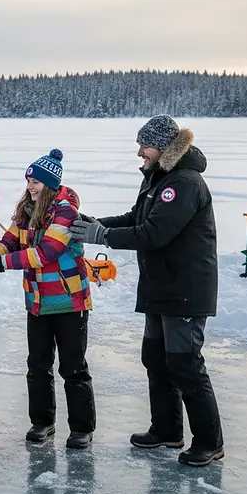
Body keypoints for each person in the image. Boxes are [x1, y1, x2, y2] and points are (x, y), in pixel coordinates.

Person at [69, 115, 224, 467]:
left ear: (165, 147)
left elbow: (154, 233)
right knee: (155, 358)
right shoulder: (159, 178)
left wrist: (102, 237)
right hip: (160, 286)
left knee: (185, 364)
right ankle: (167, 430)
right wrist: (95, 225)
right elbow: (137, 218)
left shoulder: (184, 183)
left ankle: (209, 441)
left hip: (185, 289)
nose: (139, 151)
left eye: (145, 145)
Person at [0, 149, 95, 449]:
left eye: (36, 182)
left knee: (73, 367)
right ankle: (42, 423)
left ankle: (82, 428)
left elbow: (45, 253)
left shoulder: (65, 212)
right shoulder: (26, 210)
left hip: (69, 300)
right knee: (37, 365)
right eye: (29, 180)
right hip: (37, 301)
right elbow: (9, 242)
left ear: (50, 183)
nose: (30, 186)